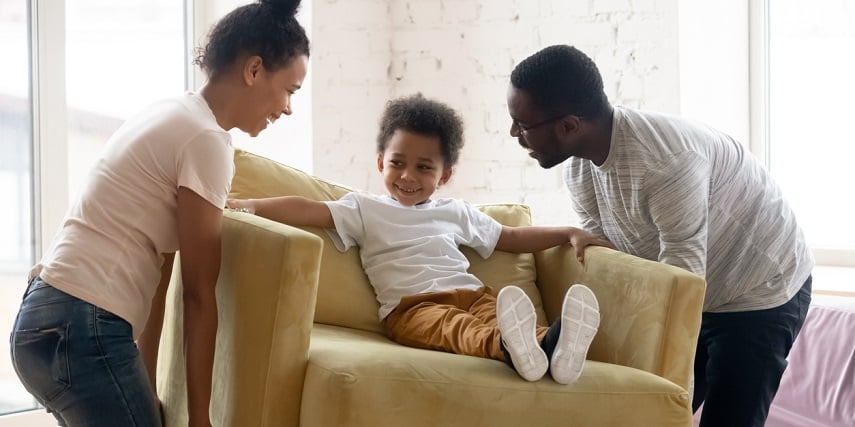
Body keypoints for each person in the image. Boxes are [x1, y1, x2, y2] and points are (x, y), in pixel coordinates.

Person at [9, 1, 309, 426]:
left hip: (41, 321)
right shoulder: (206, 140)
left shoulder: (171, 112)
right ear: (254, 70)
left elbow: (161, 272)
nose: (288, 108)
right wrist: (200, 419)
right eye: (291, 90)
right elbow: (199, 296)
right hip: (83, 326)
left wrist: (145, 386)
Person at [505, 44, 813, 426]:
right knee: (651, 413)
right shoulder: (579, 170)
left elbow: (681, 286)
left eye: (523, 124)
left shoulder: (667, 163)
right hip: (696, 287)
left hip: (759, 290)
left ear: (569, 126)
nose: (514, 133)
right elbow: (616, 263)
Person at [227, 94, 613, 383]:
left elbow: (509, 237)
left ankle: (554, 347)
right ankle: (511, 349)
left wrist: (568, 231)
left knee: (493, 311)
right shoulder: (364, 209)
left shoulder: (455, 212)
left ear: (443, 176)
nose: (407, 176)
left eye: (424, 167)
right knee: (457, 329)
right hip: (411, 308)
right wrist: (249, 206)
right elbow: (306, 209)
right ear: (381, 163)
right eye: (397, 163)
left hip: (472, 293)